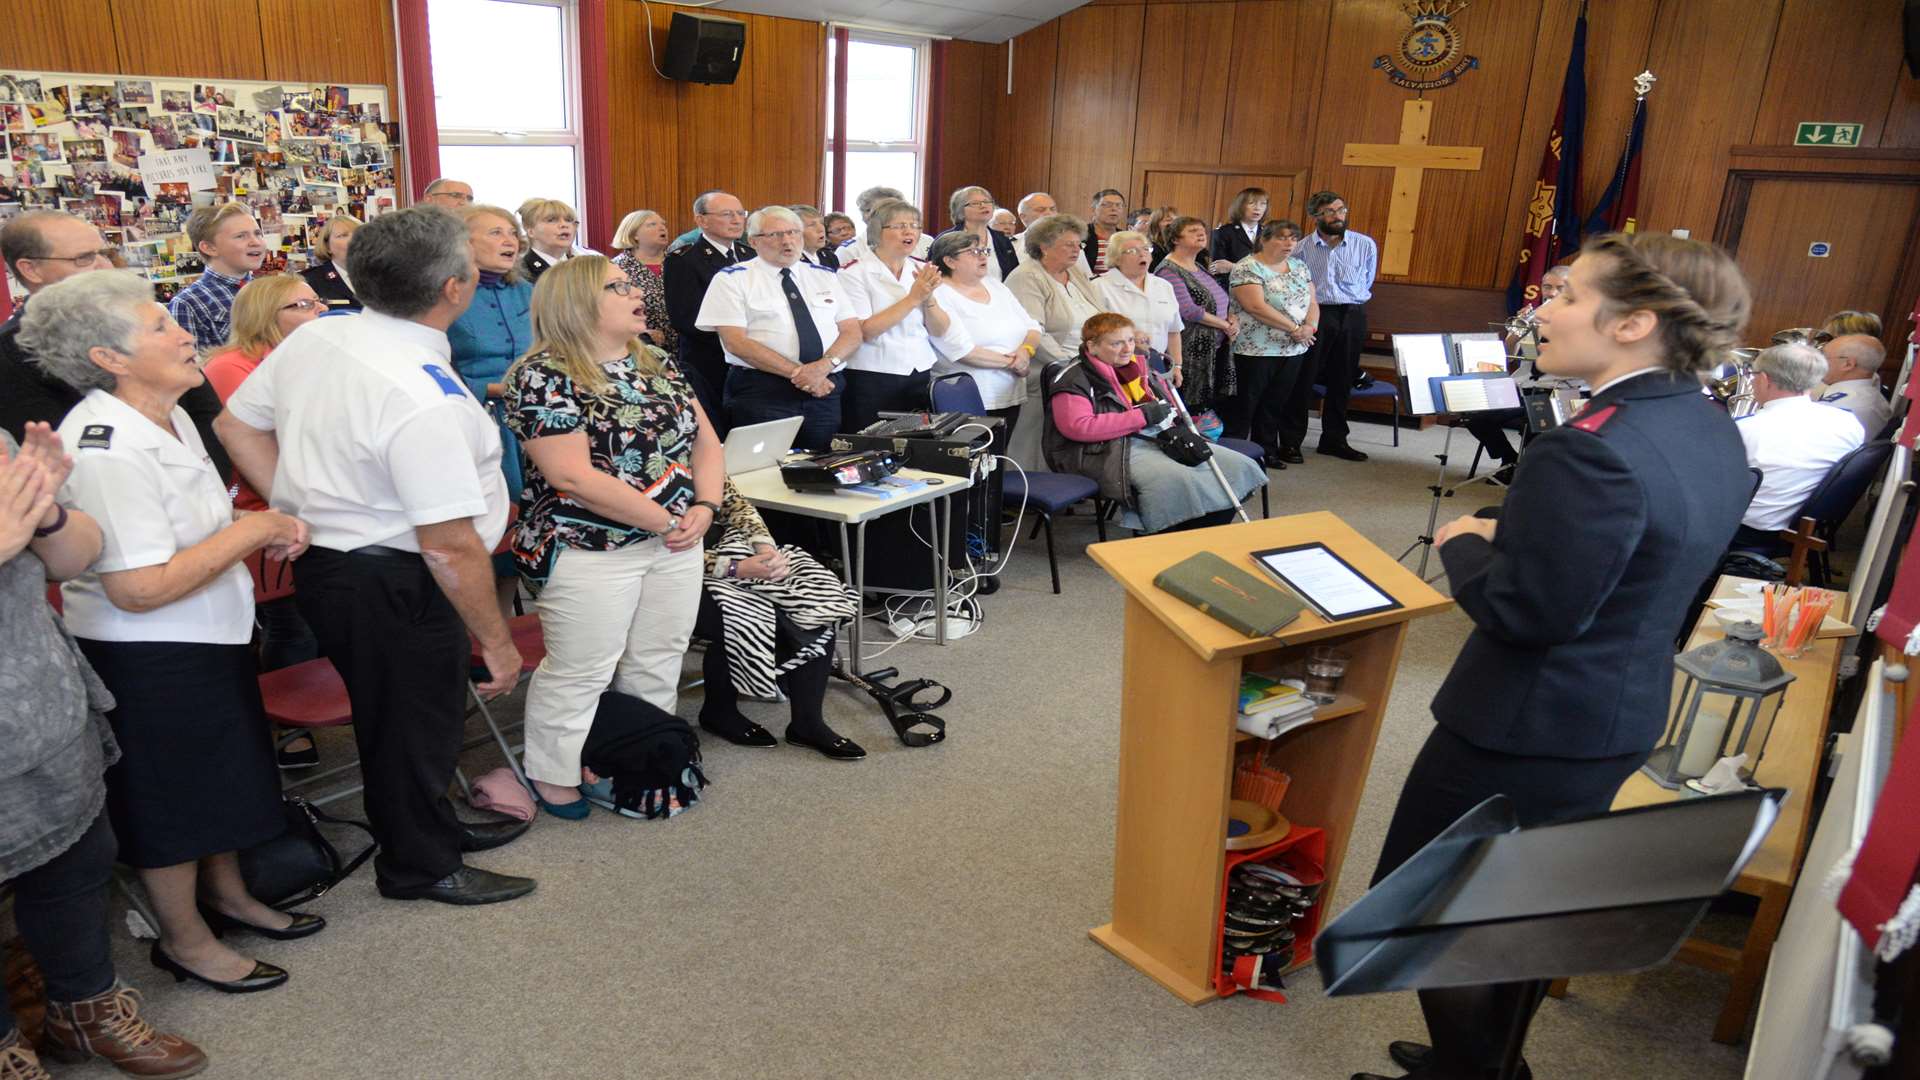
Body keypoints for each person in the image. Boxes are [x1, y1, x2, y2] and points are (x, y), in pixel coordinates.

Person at [1362, 232, 1756, 1080]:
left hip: (1522, 727)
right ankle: (1489, 1065)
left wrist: (1466, 540)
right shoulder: (1703, 420)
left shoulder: (1588, 446)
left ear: (1633, 322)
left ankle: (1476, 1074)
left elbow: (1526, 613)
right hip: (1611, 709)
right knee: (1524, 917)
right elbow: (1640, 554)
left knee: (1439, 917)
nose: (1545, 308)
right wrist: (1528, 535)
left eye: (1569, 293)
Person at [217, 207, 536, 907]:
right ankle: (419, 866)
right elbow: (449, 545)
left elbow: (234, 422)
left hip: (341, 564)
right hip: (393, 574)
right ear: (455, 288)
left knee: (415, 717)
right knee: (404, 724)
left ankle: (435, 825)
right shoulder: (422, 398)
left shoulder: (321, 335)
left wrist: (294, 504)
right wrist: (496, 642)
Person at [24, 270, 319, 995]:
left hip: (209, 632)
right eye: (159, 325)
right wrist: (255, 529)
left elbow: (193, 533)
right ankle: (183, 939)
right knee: (172, 799)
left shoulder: (171, 410)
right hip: (150, 653)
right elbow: (139, 587)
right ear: (108, 358)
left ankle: (228, 897)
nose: (187, 331)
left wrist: (244, 535)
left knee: (218, 781)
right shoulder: (102, 447)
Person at [0, 423, 211, 1078]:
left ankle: (84, 1013)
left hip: (36, 700)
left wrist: (51, 514)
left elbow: (71, 558)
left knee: (77, 857)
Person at [503, 255, 725, 816]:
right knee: (583, 667)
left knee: (659, 654)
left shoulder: (653, 360)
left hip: (674, 537)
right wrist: (667, 521)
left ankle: (637, 752)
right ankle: (552, 772)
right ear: (577, 303)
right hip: (587, 548)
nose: (635, 292)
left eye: (630, 283)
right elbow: (571, 476)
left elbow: (708, 444)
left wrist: (707, 504)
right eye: (618, 286)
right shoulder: (542, 374)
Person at [2, 210, 239, 475]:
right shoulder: (11, 354)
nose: (104, 266)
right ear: (30, 269)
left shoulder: (143, 312)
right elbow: (57, 455)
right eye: (84, 258)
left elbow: (203, 409)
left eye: (104, 253)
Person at [202, 273, 327, 766]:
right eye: (302, 304)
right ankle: (286, 729)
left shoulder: (311, 357)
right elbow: (266, 439)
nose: (318, 311)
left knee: (312, 613)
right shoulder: (233, 365)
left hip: (306, 498)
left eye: (318, 302)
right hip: (260, 507)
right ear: (265, 316)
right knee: (288, 618)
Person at [1044, 312, 1264, 533]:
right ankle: (1167, 535)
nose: (1127, 348)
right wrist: (1142, 416)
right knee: (1178, 479)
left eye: (1130, 340)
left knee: (1235, 466)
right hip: (1103, 450)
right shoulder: (1075, 378)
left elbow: (1164, 405)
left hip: (1153, 436)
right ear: (1092, 346)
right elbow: (1078, 427)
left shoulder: (1136, 367)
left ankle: (1201, 532)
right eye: (1117, 343)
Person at [695, 479, 863, 758]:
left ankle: (807, 723)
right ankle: (718, 711)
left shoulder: (695, 451)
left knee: (817, 601)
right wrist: (734, 567)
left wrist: (764, 548)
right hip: (678, 569)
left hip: (728, 548)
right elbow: (658, 548)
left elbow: (738, 506)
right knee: (747, 615)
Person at [696, 206, 862, 450]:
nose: (787, 241)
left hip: (824, 388)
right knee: (761, 472)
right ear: (753, 241)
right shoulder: (732, 278)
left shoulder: (824, 275)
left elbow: (851, 331)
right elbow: (736, 342)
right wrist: (802, 374)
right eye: (774, 235)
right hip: (763, 392)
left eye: (793, 232)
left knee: (820, 468)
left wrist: (823, 368)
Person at [839, 200, 971, 433]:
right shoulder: (854, 272)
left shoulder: (922, 269)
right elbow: (865, 331)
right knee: (872, 445)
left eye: (915, 225)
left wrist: (928, 298)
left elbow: (940, 330)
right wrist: (913, 298)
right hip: (872, 374)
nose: (910, 231)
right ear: (878, 231)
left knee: (914, 447)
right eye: (900, 226)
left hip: (918, 371)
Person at [448, 205, 536, 529]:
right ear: (464, 242)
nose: (509, 239)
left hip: (533, 414)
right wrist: (486, 389)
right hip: (476, 418)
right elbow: (427, 367)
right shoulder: (445, 294)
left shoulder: (527, 291)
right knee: (499, 517)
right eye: (495, 232)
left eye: (513, 232)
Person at [1732, 342, 1866, 550]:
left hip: (1748, 531)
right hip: (1802, 526)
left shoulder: (1745, 430)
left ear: (1764, 379)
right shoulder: (1848, 423)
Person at [929, 230, 1042, 458]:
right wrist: (1015, 363)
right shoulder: (939, 293)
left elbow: (1033, 327)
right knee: (972, 465)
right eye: (973, 252)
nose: (983, 257)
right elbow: (961, 350)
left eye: (984, 251)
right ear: (950, 261)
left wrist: (1025, 351)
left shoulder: (995, 285)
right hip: (967, 395)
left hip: (1010, 391)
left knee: (997, 461)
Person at [1007, 214, 1107, 468]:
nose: (1077, 250)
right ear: (1044, 246)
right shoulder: (1027, 277)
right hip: (1045, 369)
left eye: (1079, 244)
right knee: (1037, 435)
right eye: (1069, 244)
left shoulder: (1075, 273)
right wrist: (1071, 367)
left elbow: (1102, 316)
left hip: (1085, 366)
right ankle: (1028, 485)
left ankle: (1069, 476)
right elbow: (1033, 331)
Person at [1288, 190, 1376, 462]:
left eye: (1341, 210)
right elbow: (1297, 288)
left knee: (1343, 378)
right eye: (1330, 212)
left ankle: (1334, 439)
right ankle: (1291, 441)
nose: (1338, 216)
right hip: (1316, 314)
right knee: (1304, 379)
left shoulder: (1365, 244)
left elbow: (1368, 280)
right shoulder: (1302, 248)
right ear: (1315, 216)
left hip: (1352, 313)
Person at [1464, 265, 1571, 477]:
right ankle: (1509, 460)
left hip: (1557, 391)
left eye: (1560, 288)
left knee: (1538, 422)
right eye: (1547, 286)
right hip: (1524, 386)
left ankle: (1529, 472)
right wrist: (1519, 330)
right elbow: (1512, 356)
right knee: (1474, 415)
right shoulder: (1537, 315)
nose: (1552, 293)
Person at [1226, 219, 1317, 460]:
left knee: (1275, 402)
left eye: (1293, 238)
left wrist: (1310, 326)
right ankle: (1237, 456)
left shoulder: (1299, 266)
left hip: (1292, 348)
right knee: (1247, 404)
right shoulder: (1247, 267)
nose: (1289, 243)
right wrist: (1295, 328)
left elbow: (1312, 301)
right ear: (1264, 239)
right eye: (1282, 237)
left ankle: (1266, 450)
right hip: (1255, 348)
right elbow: (1255, 306)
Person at [665, 190, 755, 428]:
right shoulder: (684, 259)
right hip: (710, 359)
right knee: (718, 427)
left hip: (753, 360)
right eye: (727, 214)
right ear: (701, 220)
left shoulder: (750, 254)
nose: (737, 220)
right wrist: (737, 340)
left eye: (740, 213)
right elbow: (685, 318)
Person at [1156, 216, 1239, 431]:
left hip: (1212, 345)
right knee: (1190, 405)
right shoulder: (1168, 270)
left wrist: (1232, 318)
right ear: (1175, 238)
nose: (1201, 234)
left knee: (1208, 406)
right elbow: (1189, 310)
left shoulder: (1198, 266)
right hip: (1189, 348)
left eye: (1202, 230)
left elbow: (1221, 297)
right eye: (1193, 231)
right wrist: (1224, 325)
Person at [168, 202, 265, 351]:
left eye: (258, 233)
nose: (256, 242)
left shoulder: (267, 291)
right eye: (240, 236)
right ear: (209, 248)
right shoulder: (188, 303)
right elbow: (192, 367)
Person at [1096, 229, 1185, 384]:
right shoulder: (1099, 287)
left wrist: (1177, 366)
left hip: (1157, 365)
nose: (1142, 254)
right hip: (1115, 367)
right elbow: (1095, 333)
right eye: (1132, 251)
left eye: (1145, 249)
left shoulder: (1163, 286)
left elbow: (1173, 331)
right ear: (1116, 258)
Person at [609, 209, 677, 352]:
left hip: (683, 349)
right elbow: (609, 311)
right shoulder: (616, 268)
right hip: (642, 348)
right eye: (652, 224)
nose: (662, 227)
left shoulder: (679, 262)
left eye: (663, 224)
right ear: (634, 234)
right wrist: (641, 333)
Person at [1818, 333, 1893, 437]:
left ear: (1848, 364)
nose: (1817, 361)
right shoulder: (1870, 392)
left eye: (1824, 357)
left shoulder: (1838, 407)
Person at [941, 185, 1018, 280]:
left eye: (987, 202)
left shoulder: (1002, 240)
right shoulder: (947, 241)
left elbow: (1013, 276)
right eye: (975, 203)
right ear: (960, 210)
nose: (983, 205)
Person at [834, 186, 932, 260]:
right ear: (866, 215)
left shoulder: (926, 242)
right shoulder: (850, 251)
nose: (894, 216)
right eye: (885, 211)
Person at [1011, 192, 1091, 274]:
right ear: (1023, 217)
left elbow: (1084, 277)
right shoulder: (1012, 245)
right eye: (1041, 210)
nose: (1049, 213)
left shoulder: (1072, 244)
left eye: (1052, 209)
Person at [300, 213, 361, 312]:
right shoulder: (309, 281)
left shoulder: (382, 276)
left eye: (359, 233)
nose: (353, 240)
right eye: (343, 235)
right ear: (327, 246)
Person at [517, 198, 585, 282]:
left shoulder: (585, 267)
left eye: (568, 220)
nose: (564, 225)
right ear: (531, 231)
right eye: (552, 220)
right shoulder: (520, 271)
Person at [1210, 187, 1268, 275]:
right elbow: (1219, 268)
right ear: (1241, 205)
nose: (1257, 208)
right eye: (1251, 203)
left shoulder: (1270, 233)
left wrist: (1233, 267)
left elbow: (1273, 269)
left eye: (1263, 204)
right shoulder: (1224, 232)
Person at [1085, 188, 1127, 275]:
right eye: (1108, 205)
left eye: (1119, 205)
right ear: (1093, 210)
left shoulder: (1126, 238)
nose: (1114, 209)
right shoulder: (1082, 235)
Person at [790, 204, 838, 270]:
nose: (821, 229)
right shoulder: (791, 261)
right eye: (812, 225)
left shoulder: (830, 257)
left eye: (821, 223)